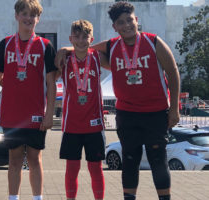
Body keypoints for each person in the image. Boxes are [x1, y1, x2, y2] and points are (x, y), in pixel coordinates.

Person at [55, 2, 180, 200]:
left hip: (155, 112)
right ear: (115, 27)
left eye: (129, 20)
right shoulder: (112, 46)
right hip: (127, 114)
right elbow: (85, 47)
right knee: (130, 160)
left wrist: (174, 109)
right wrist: (66, 49)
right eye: (121, 22)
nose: (126, 25)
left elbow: (173, 73)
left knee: (158, 159)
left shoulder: (153, 41)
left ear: (136, 20)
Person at [0, 0, 57, 199]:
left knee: (35, 159)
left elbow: (51, 83)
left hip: (35, 113)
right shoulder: (6, 43)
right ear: (17, 15)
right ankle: (13, 197)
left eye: (33, 15)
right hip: (11, 113)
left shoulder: (45, 46)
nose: (28, 18)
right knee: (14, 159)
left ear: (38, 19)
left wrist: (49, 113)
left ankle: (37, 197)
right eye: (24, 14)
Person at [57, 20, 109, 200]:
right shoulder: (64, 61)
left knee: (95, 169)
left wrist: (66, 48)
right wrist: (62, 51)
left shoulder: (97, 57)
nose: (81, 40)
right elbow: (48, 77)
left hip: (95, 125)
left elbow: (116, 53)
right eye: (76, 37)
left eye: (85, 37)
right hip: (72, 125)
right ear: (71, 39)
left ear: (91, 39)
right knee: (72, 169)